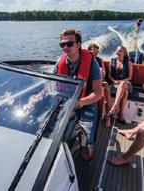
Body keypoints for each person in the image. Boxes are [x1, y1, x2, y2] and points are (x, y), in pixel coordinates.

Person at [54, 28, 102, 160]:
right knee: (54, 133)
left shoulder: (92, 63)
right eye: (62, 44)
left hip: (86, 103)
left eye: (69, 44)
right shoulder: (59, 64)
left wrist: (80, 103)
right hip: (66, 102)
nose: (65, 47)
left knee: (86, 148)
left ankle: (89, 147)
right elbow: (50, 86)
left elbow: (98, 94)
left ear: (79, 44)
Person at [88, 43, 112, 128]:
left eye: (97, 51)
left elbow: (104, 72)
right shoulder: (86, 60)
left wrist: (101, 74)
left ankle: (108, 116)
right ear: (89, 50)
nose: (96, 52)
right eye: (94, 50)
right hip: (88, 82)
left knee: (105, 86)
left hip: (99, 81)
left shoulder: (99, 60)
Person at [107, 46, 133, 122]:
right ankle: (121, 114)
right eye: (117, 51)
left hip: (126, 83)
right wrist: (114, 81)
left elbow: (130, 77)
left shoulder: (129, 63)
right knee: (125, 92)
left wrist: (122, 82)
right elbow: (109, 75)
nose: (117, 53)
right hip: (115, 84)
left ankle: (114, 108)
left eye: (120, 51)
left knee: (123, 83)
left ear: (124, 53)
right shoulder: (111, 62)